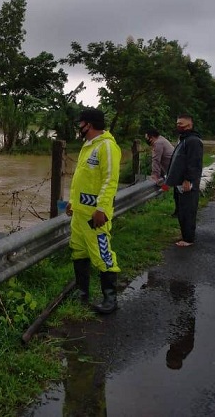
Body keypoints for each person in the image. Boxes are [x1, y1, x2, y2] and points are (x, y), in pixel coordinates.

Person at [65, 108, 122, 314]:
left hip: (95, 215)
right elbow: (81, 180)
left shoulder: (107, 146)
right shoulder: (87, 146)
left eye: (80, 123)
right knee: (78, 250)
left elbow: (110, 180)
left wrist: (102, 209)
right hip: (79, 213)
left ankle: (110, 299)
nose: (78, 126)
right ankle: (82, 292)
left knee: (102, 253)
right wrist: (72, 201)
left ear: (88, 124)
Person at [164, 114, 203, 248]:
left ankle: (188, 239)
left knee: (188, 211)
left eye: (181, 124)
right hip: (180, 183)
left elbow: (194, 163)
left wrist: (188, 180)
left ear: (190, 125)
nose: (178, 126)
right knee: (182, 210)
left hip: (187, 183)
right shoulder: (184, 139)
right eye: (177, 123)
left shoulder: (193, 141)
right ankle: (185, 235)